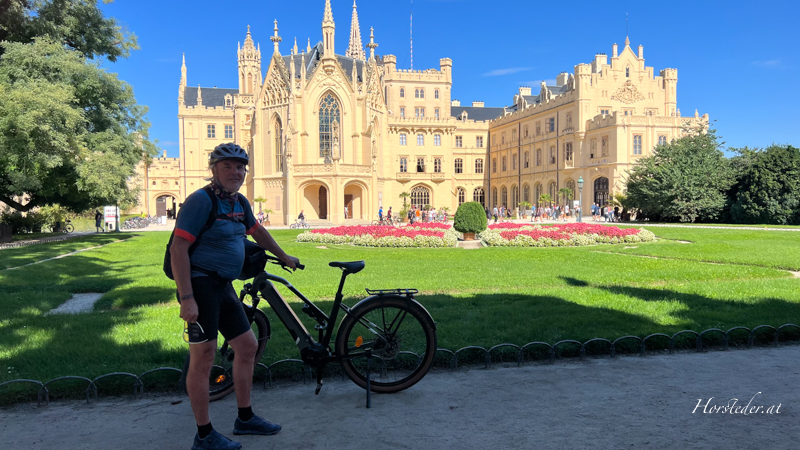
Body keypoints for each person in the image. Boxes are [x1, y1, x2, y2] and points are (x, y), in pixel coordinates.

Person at [170, 143, 299, 450]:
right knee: (203, 358)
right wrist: (187, 297)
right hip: (200, 286)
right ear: (214, 170)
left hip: (223, 286)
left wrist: (283, 254)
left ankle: (245, 417)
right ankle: (204, 435)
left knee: (247, 346)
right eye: (227, 166)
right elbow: (178, 249)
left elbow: (256, 231)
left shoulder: (238, 202)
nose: (236, 172)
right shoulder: (201, 201)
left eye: (240, 167)